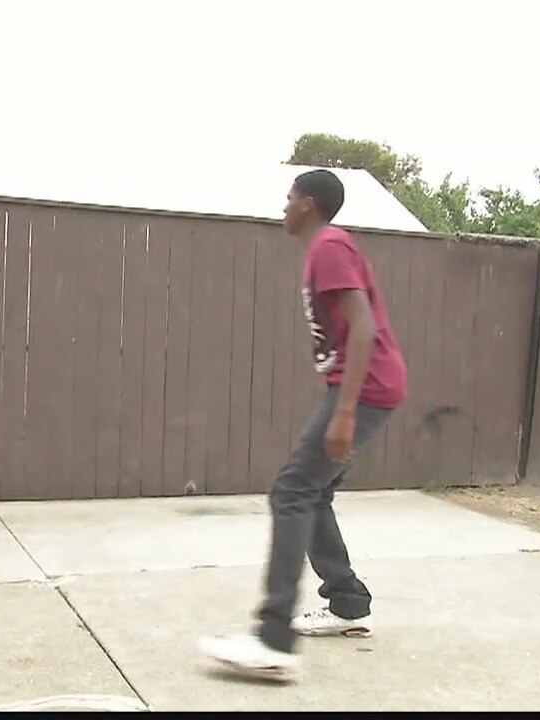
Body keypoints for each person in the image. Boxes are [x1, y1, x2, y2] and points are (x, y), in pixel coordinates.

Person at [198, 169, 408, 682]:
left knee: (290, 491)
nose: (284, 207)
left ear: (309, 204)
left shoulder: (329, 246)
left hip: (367, 391)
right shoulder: (327, 248)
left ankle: (273, 640)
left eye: (289, 198)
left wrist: (344, 410)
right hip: (371, 389)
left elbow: (363, 327)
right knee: (312, 492)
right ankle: (348, 604)